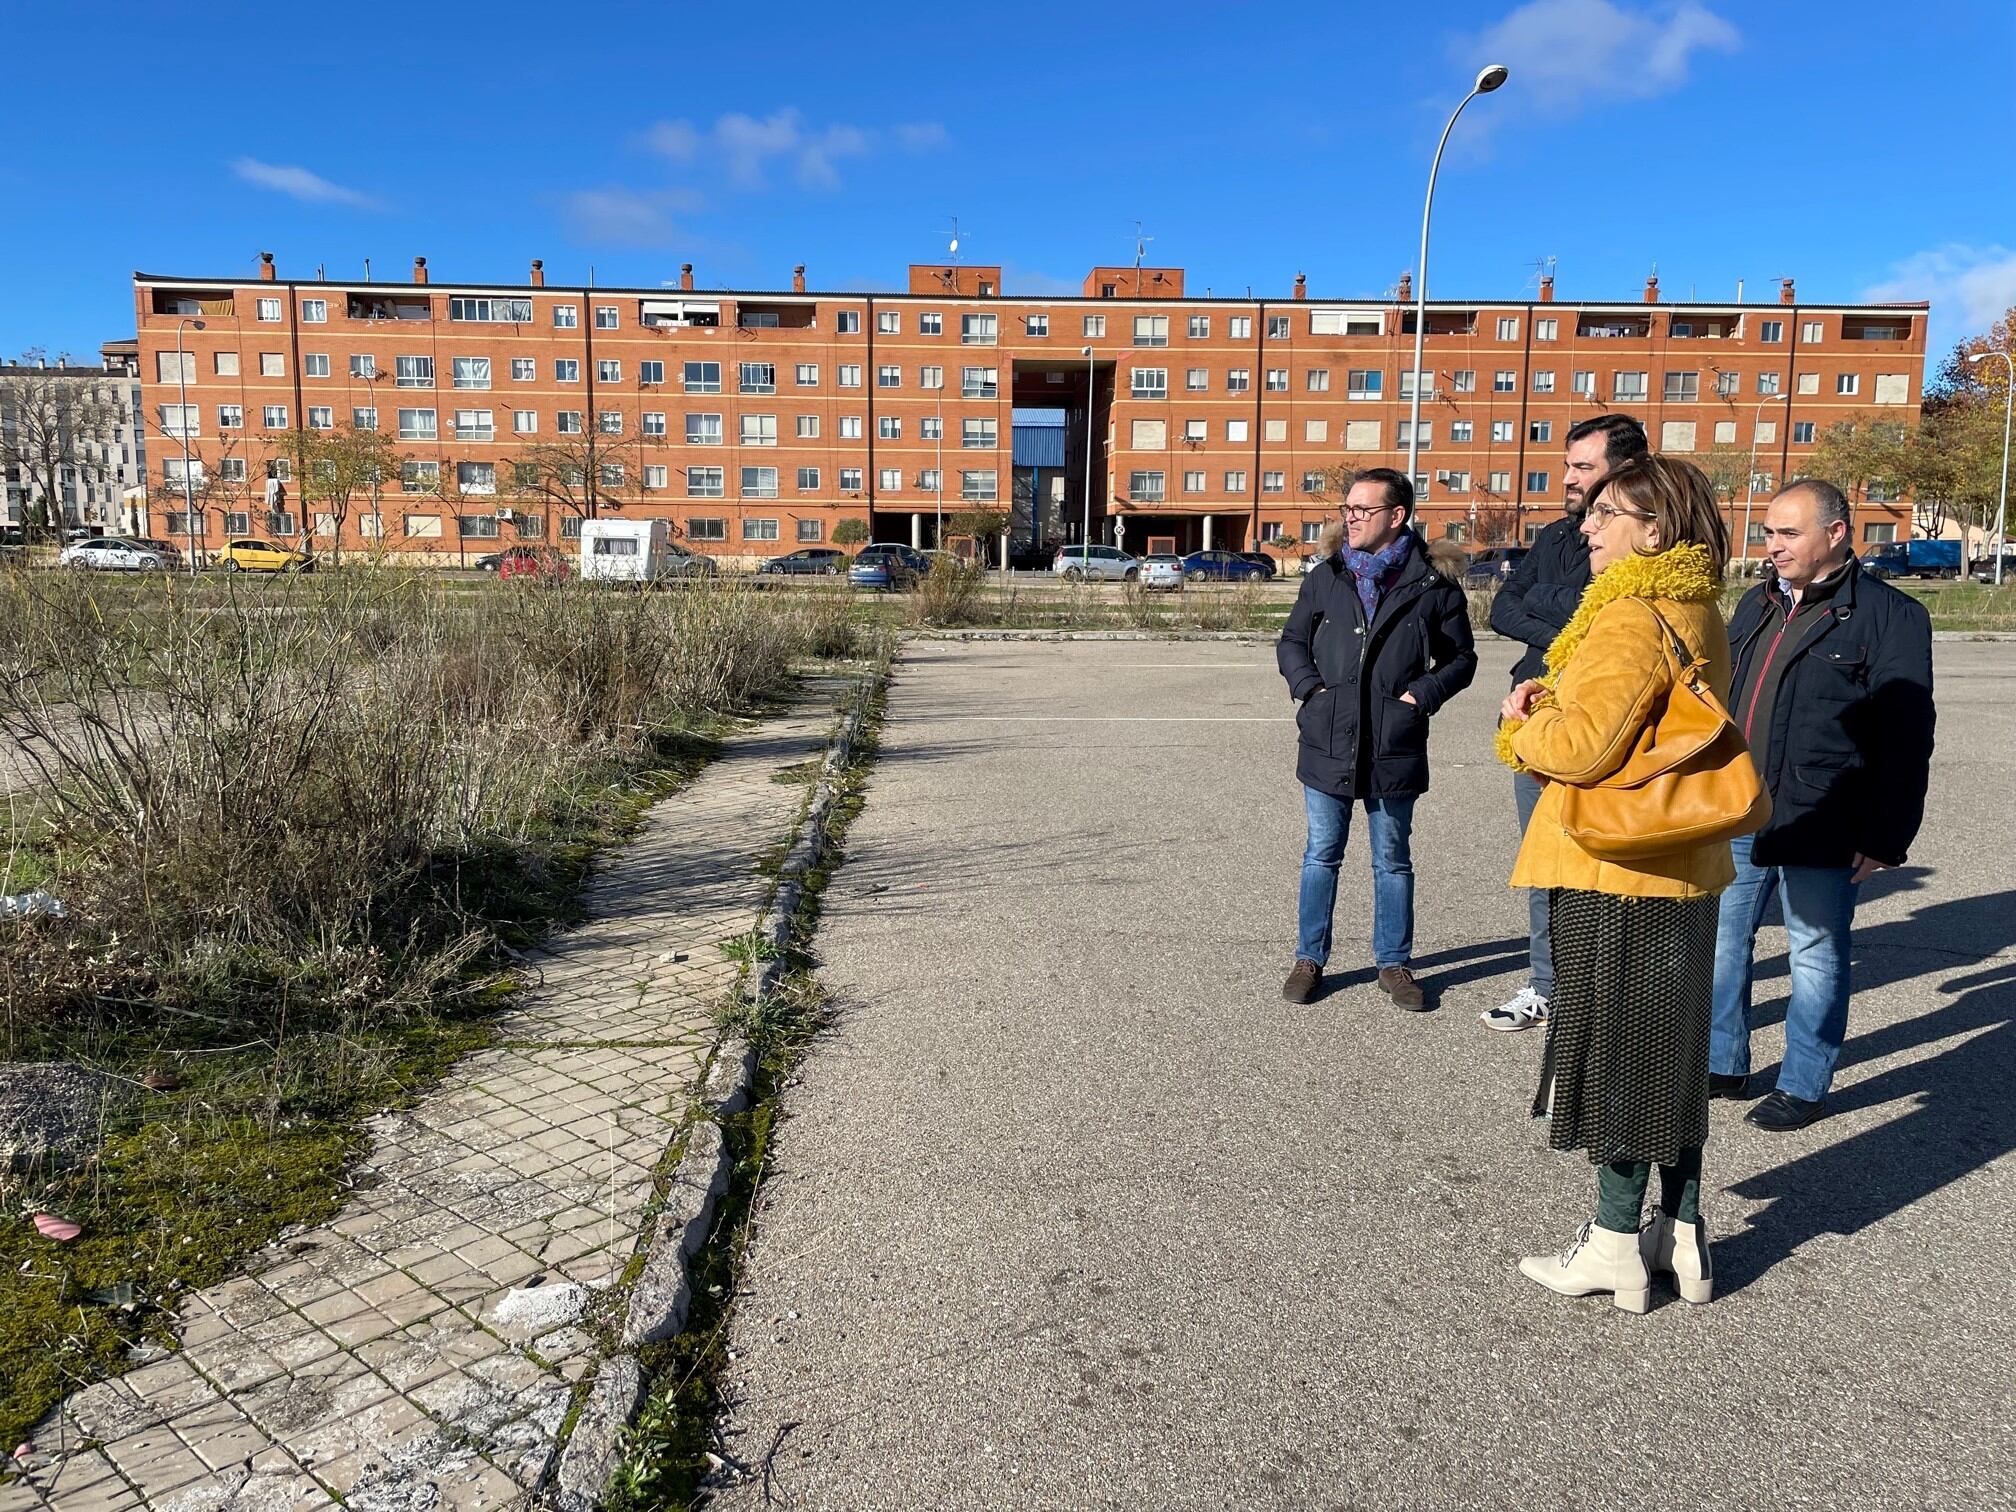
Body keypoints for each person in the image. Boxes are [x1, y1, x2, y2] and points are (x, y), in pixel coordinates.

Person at [1496, 455, 1735, 1312]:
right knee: (1671, 1049)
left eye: (1606, 513)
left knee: (1615, 1055)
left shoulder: (1631, 615)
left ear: (1654, 531)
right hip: (1683, 862)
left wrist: (1525, 723)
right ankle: (1684, 1235)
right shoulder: (1699, 606)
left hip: (1615, 867)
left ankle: (1611, 1248)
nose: (1588, 527)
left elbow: (1585, 748)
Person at [1710, 479, 1934, 1130]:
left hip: (1824, 814)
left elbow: (1906, 735)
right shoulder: (1756, 605)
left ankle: (1803, 1083)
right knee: (1726, 939)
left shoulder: (1890, 616)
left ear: (1835, 535)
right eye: (1768, 532)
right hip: (1740, 808)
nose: (1771, 546)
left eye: (1787, 533)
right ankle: (1723, 1062)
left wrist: (1886, 834)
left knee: (1814, 949)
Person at [1276, 467, 1476, 1010]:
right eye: (1348, 509)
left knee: (1392, 857)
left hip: (1394, 741)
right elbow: (1292, 640)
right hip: (1328, 737)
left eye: (1364, 509)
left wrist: (1420, 696)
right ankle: (1309, 958)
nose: (1351, 518)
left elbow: (1461, 658)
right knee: (1321, 853)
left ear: (1397, 516)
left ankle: (1395, 963)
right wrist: (1311, 691)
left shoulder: (1434, 583)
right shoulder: (1328, 574)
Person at [1481, 414, 1650, 1032]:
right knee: (1544, 860)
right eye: (1568, 464)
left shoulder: (1649, 540)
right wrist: (1570, 624)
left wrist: (1556, 610)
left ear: (1626, 470)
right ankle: (1547, 985)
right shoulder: (1556, 537)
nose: (1568, 478)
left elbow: (1608, 617)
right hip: (1536, 717)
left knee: (1603, 865)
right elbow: (1503, 607)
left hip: (1601, 724)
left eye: (1583, 466)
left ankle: (1603, 994)